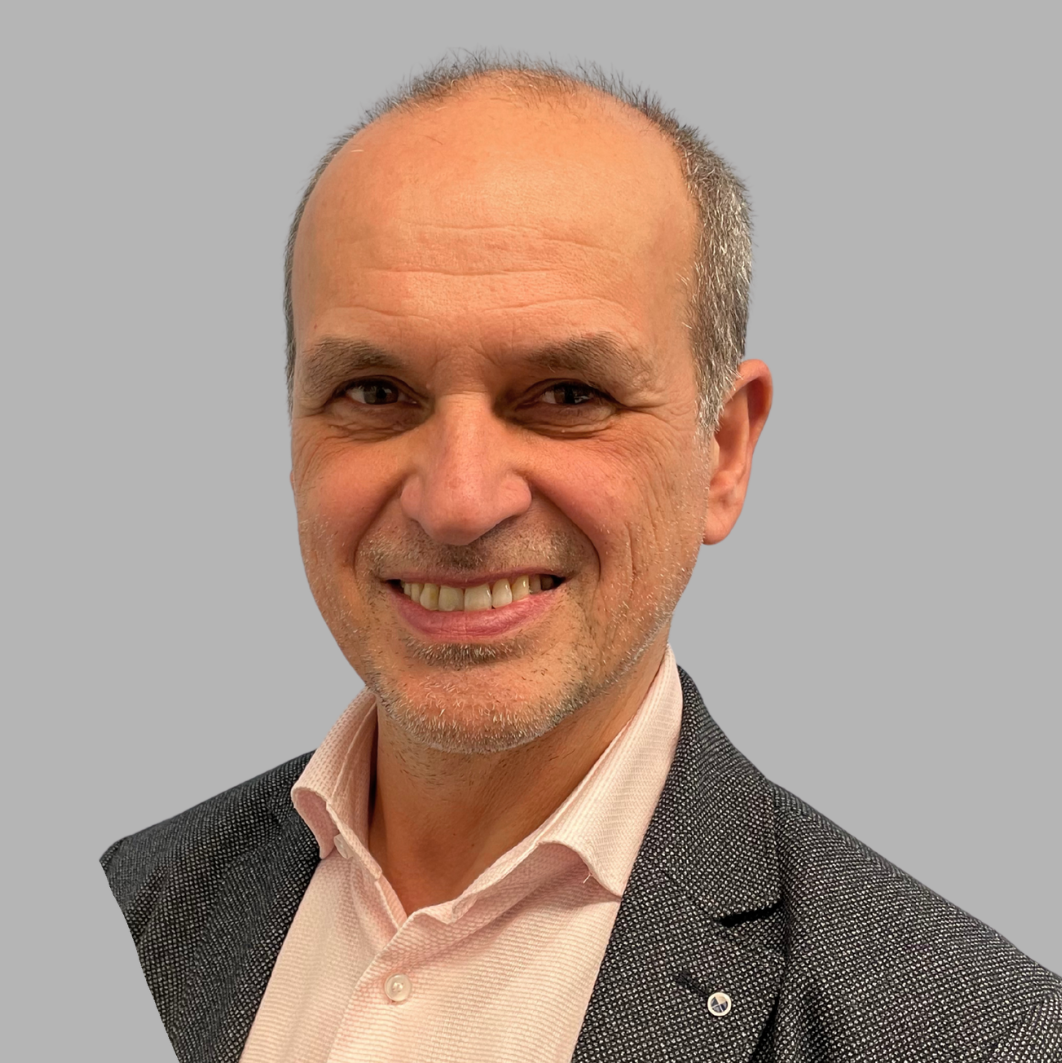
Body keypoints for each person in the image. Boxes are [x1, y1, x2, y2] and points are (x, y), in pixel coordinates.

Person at [100, 55, 1061, 1063]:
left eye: (566, 395)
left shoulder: (973, 1037)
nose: (458, 502)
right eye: (376, 394)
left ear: (724, 451)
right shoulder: (133, 902)